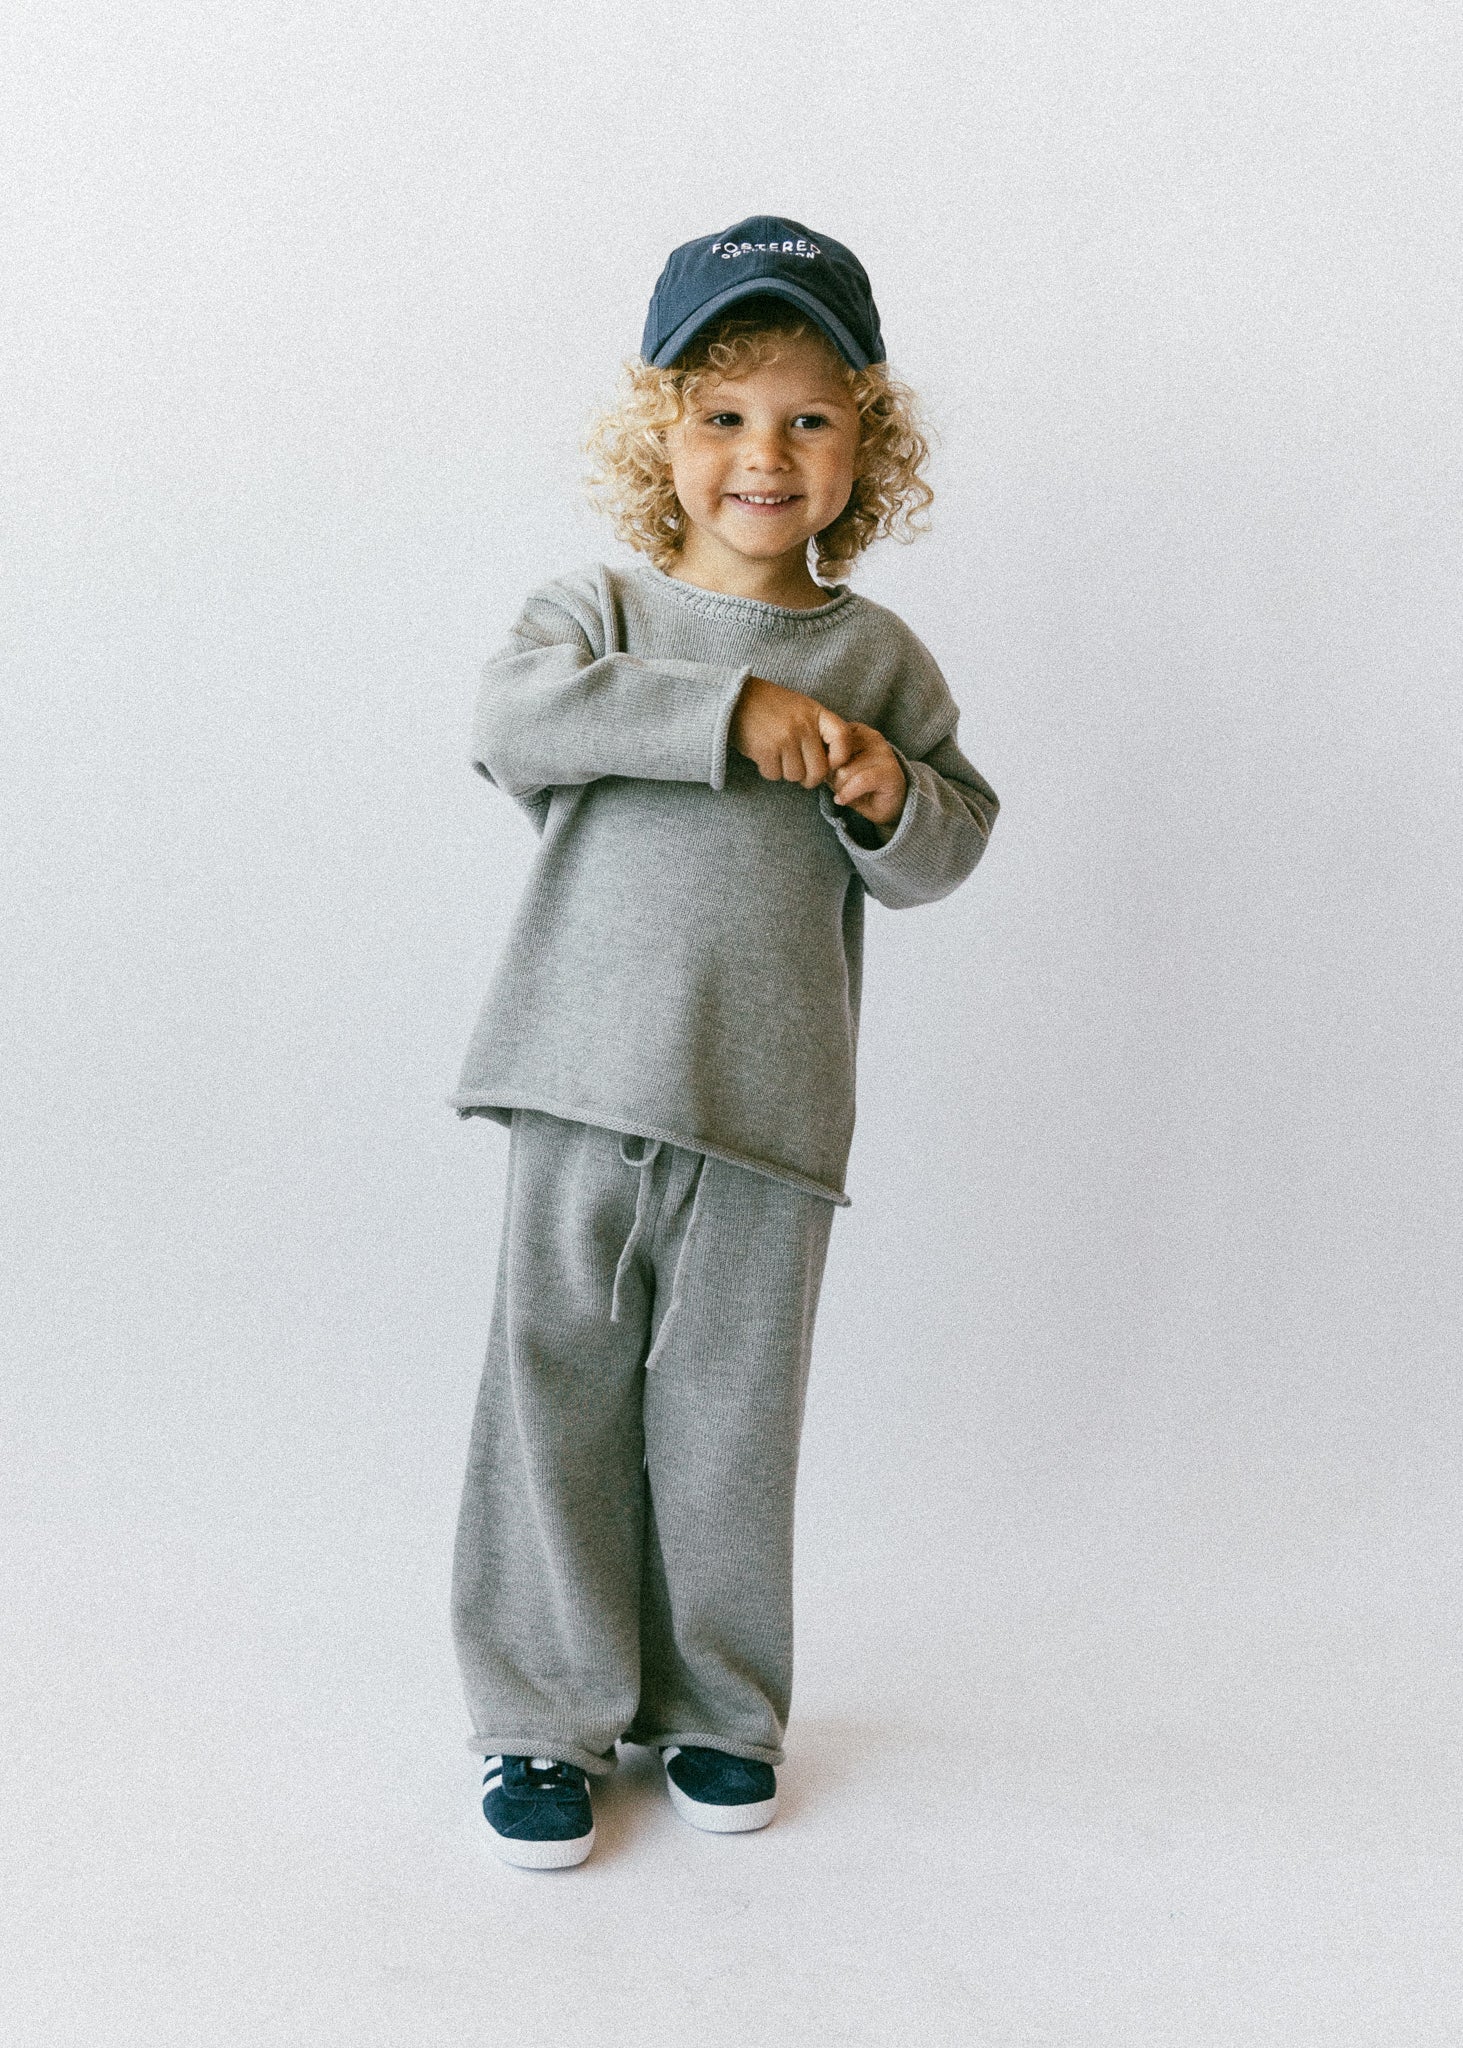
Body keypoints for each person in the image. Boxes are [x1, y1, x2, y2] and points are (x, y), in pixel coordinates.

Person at [447, 215, 1000, 1869]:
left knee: (729, 1425)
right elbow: (510, 718)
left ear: (864, 448)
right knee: (552, 1398)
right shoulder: (599, 613)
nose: (765, 453)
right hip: (576, 1081)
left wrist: (890, 794)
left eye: (810, 418)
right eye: (724, 414)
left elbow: (951, 843)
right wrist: (727, 713)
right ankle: (543, 1719)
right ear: (661, 434)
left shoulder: (877, 660)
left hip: (769, 1117)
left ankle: (719, 1710)